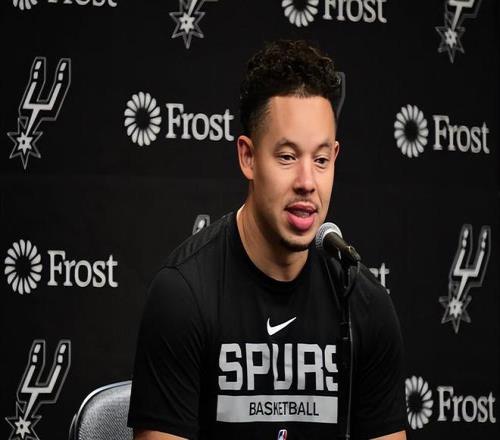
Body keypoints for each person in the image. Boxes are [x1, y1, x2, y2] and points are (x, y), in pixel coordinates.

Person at [128, 40, 407, 440]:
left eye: (321, 160)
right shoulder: (184, 294)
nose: (307, 182)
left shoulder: (363, 304)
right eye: (287, 156)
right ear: (248, 157)